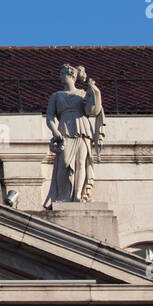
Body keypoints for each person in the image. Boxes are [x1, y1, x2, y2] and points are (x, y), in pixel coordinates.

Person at [44, 63, 105, 207]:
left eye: (62, 74)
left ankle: (78, 196)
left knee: (81, 163)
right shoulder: (56, 96)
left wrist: (93, 90)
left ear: (71, 75)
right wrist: (55, 131)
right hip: (65, 129)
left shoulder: (83, 94)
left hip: (82, 129)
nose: (60, 77)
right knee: (64, 163)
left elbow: (92, 111)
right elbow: (50, 117)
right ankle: (63, 196)